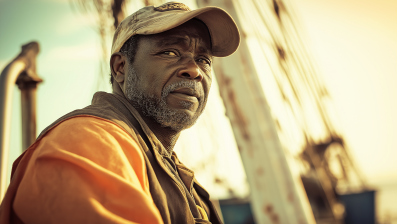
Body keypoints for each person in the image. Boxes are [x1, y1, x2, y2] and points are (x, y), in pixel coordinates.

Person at [0, 2, 239, 223]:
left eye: (203, 59)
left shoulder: (175, 172)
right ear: (120, 67)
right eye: (170, 52)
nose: (194, 70)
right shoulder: (89, 141)